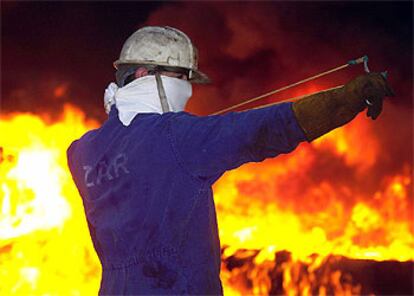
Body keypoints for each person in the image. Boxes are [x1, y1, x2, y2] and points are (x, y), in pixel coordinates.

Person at [66, 26, 394, 295]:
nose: (187, 90)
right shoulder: (176, 136)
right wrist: (348, 98)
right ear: (144, 74)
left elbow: (139, 154)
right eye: (181, 78)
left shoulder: (82, 152)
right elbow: (267, 130)